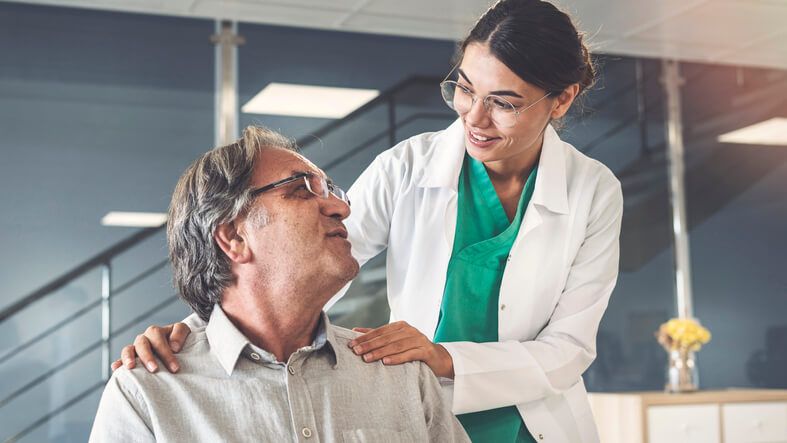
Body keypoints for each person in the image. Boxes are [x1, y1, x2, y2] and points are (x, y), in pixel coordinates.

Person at [115, 1, 623, 441]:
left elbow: (569, 349)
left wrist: (444, 358)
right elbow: (304, 263)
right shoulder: (407, 168)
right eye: (465, 89)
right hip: (425, 411)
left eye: (504, 103)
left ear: (562, 99)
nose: (473, 118)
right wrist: (198, 335)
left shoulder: (593, 191)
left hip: (537, 425)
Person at [90, 127, 469, 442]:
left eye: (330, 192)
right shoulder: (149, 393)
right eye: (302, 190)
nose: (343, 209)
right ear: (234, 238)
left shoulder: (401, 374)